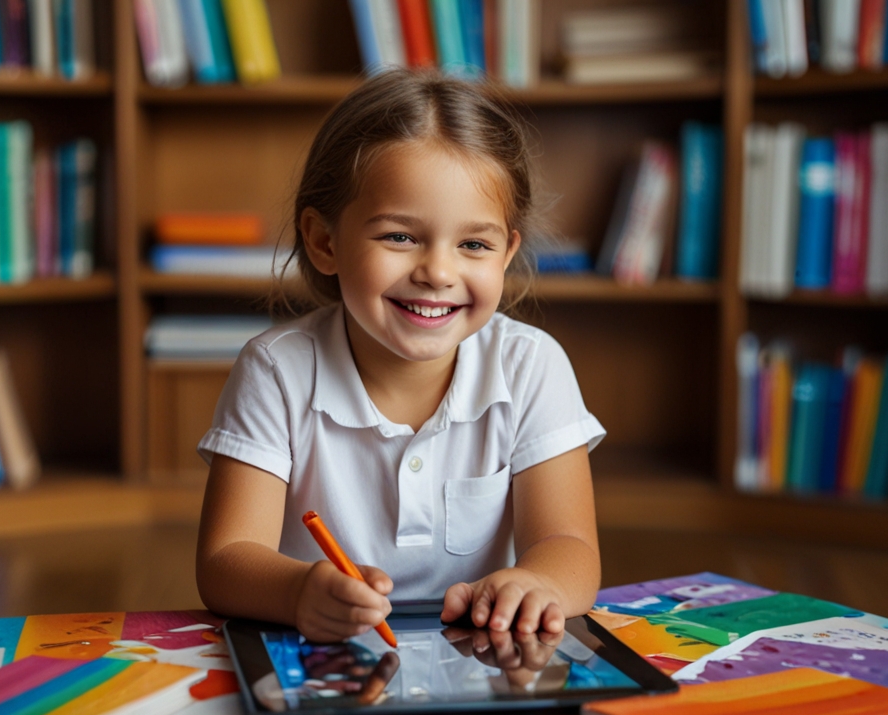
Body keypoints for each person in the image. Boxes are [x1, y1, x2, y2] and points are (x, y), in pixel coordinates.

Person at [196, 69, 604, 644]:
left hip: (477, 656)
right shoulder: (275, 370)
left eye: (474, 244)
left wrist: (538, 583)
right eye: (400, 237)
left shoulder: (532, 366)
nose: (437, 272)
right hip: (319, 652)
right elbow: (225, 559)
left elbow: (571, 547)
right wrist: (298, 592)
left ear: (507, 252)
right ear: (324, 241)